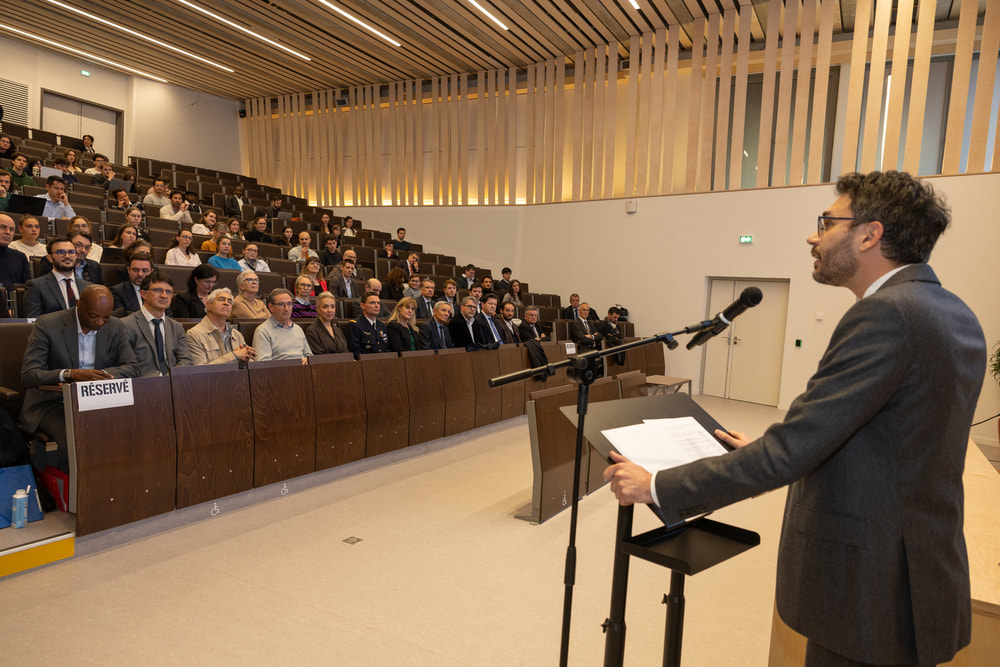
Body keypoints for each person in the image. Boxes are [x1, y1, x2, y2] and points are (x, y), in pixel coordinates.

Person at [603, 171, 986, 667]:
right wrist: (776, 446)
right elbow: (893, 441)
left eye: (827, 222)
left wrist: (658, 486)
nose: (813, 235)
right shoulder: (950, 310)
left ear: (870, 234)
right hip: (917, 571)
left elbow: (789, 453)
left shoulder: (885, 315)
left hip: (869, 588)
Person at [20, 284, 139, 471]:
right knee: (78, 436)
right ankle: (75, 495)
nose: (100, 322)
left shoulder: (115, 326)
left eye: (106, 317)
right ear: (78, 304)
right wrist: (70, 374)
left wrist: (100, 376)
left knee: (133, 427)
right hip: (53, 403)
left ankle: (115, 488)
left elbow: (132, 367)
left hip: (98, 400)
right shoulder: (48, 324)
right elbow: (29, 374)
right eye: (94, 316)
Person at [122, 271, 193, 376]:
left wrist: (170, 378)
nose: (164, 296)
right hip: (143, 384)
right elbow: (126, 365)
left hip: (173, 381)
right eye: (158, 290)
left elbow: (186, 360)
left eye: (168, 292)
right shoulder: (126, 325)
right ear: (143, 294)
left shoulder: (176, 327)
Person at [186, 288, 255, 366]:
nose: (226, 303)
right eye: (221, 299)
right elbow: (200, 371)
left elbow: (246, 368)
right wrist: (234, 356)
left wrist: (246, 360)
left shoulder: (237, 335)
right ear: (209, 305)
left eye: (230, 301)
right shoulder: (194, 334)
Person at [24, 238, 90, 317]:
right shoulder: (36, 286)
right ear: (50, 258)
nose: (67, 256)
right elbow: (34, 321)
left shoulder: (87, 287)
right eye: (61, 252)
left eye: (71, 252)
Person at [253, 288, 311, 363]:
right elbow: (263, 364)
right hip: (280, 372)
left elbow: (309, 355)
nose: (287, 309)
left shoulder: (298, 329)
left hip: (302, 371)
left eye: (289, 304)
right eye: (281, 304)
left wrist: (307, 360)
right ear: (271, 307)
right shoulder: (262, 331)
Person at [347, 292, 388, 357]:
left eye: (378, 303)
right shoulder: (355, 325)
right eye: (372, 303)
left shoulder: (382, 325)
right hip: (366, 363)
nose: (377, 306)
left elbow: (386, 348)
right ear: (362, 306)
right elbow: (355, 352)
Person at [0, 214, 30, 302]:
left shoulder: (20, 257)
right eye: (2, 227)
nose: (8, 232)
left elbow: (27, 288)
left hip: (15, 307)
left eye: (11, 229)